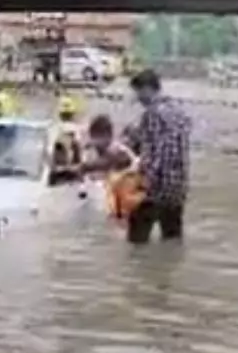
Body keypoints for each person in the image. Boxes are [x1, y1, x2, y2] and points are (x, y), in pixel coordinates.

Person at [125, 69, 191, 243]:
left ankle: (140, 267)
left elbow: (158, 152)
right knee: (172, 236)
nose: (137, 98)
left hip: (158, 186)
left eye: (138, 92)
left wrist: (146, 181)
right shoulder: (179, 110)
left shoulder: (152, 113)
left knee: (136, 237)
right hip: (179, 185)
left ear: (147, 89)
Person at [81, 114, 142, 219]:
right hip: (120, 209)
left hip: (128, 210)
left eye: (94, 137)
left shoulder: (117, 150)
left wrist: (82, 167)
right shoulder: (95, 152)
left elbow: (106, 162)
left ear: (108, 135)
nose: (93, 141)